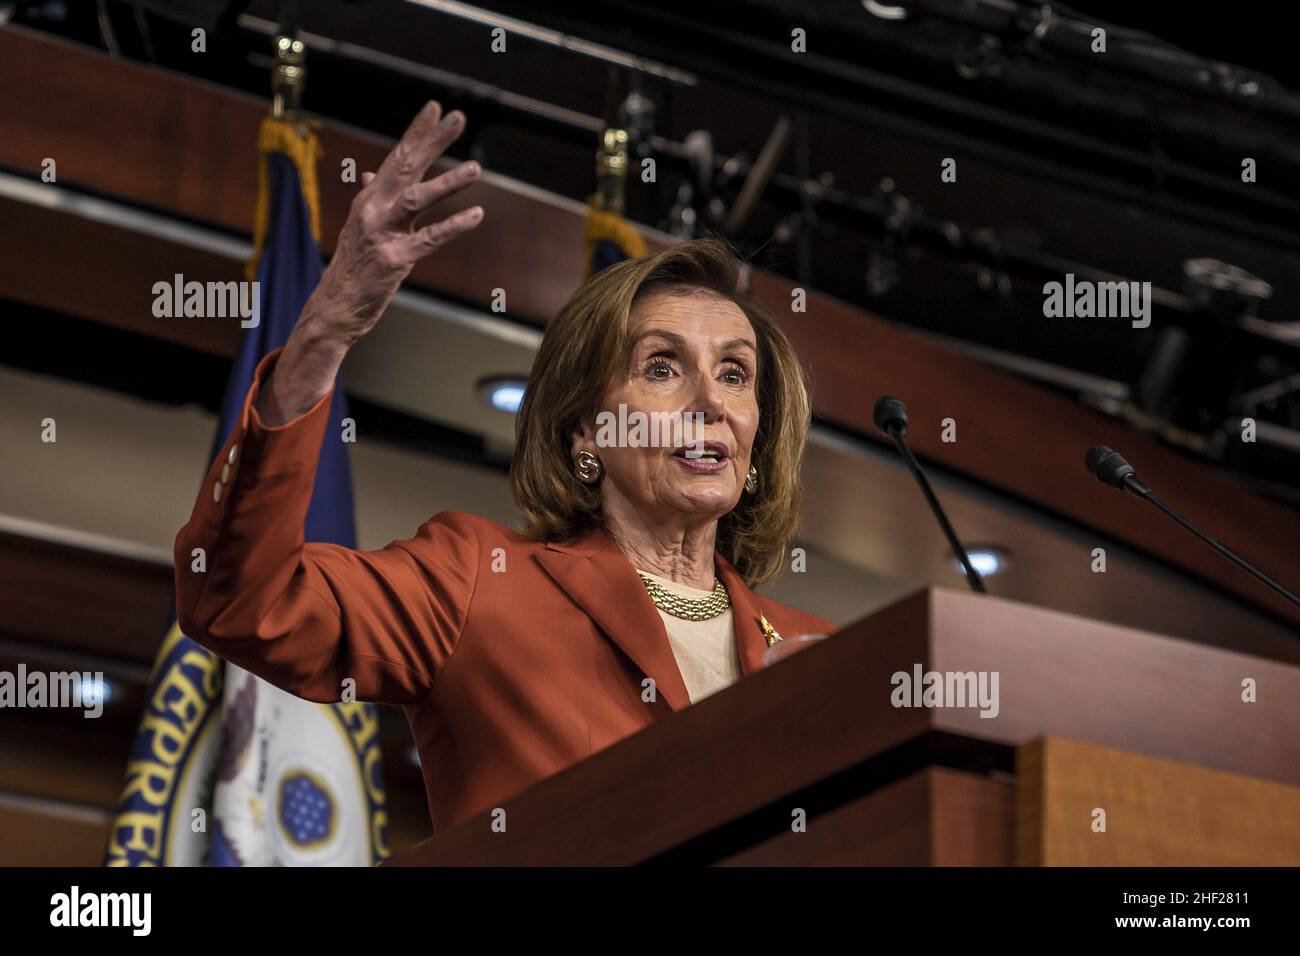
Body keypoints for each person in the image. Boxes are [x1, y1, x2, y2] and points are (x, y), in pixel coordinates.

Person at [176, 101, 832, 835]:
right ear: (585, 428)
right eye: (662, 367)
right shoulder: (476, 587)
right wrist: (322, 335)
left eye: (737, 375)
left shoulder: (818, 657)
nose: (710, 400)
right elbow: (240, 603)